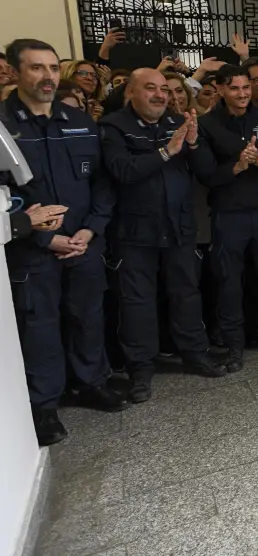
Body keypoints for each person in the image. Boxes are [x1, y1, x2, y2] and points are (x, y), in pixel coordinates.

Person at [3, 38, 130, 446]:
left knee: (87, 315)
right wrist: (46, 239)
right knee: (39, 324)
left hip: (83, 242)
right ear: (15, 72)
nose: (48, 77)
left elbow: (102, 183)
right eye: (37, 68)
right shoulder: (4, 127)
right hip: (33, 250)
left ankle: (92, 383)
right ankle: (43, 405)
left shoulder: (79, 122)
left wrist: (90, 229)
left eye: (54, 68)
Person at [99, 68, 226, 403]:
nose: (159, 95)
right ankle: (140, 367)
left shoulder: (176, 123)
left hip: (179, 227)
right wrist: (165, 152)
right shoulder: (114, 127)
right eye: (150, 88)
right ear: (131, 91)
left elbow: (206, 172)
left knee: (186, 292)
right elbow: (122, 171)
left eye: (163, 90)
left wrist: (195, 142)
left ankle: (194, 353)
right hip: (135, 232)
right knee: (137, 301)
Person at [198, 64, 258, 371]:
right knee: (229, 282)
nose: (242, 94)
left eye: (245, 87)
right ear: (221, 90)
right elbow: (205, 174)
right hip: (229, 214)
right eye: (235, 88)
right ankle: (233, 344)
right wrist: (237, 167)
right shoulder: (208, 124)